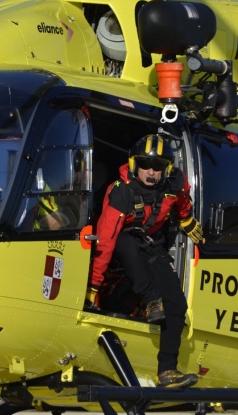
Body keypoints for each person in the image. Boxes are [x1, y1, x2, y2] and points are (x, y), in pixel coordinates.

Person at [85, 134, 203, 388]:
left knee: (176, 304)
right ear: (134, 165)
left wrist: (185, 218)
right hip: (120, 242)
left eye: (158, 167)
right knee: (125, 242)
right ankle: (151, 300)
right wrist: (93, 284)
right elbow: (106, 239)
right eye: (145, 165)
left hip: (150, 243)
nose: (151, 172)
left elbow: (182, 199)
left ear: (167, 169)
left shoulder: (175, 184)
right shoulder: (121, 191)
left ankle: (167, 371)